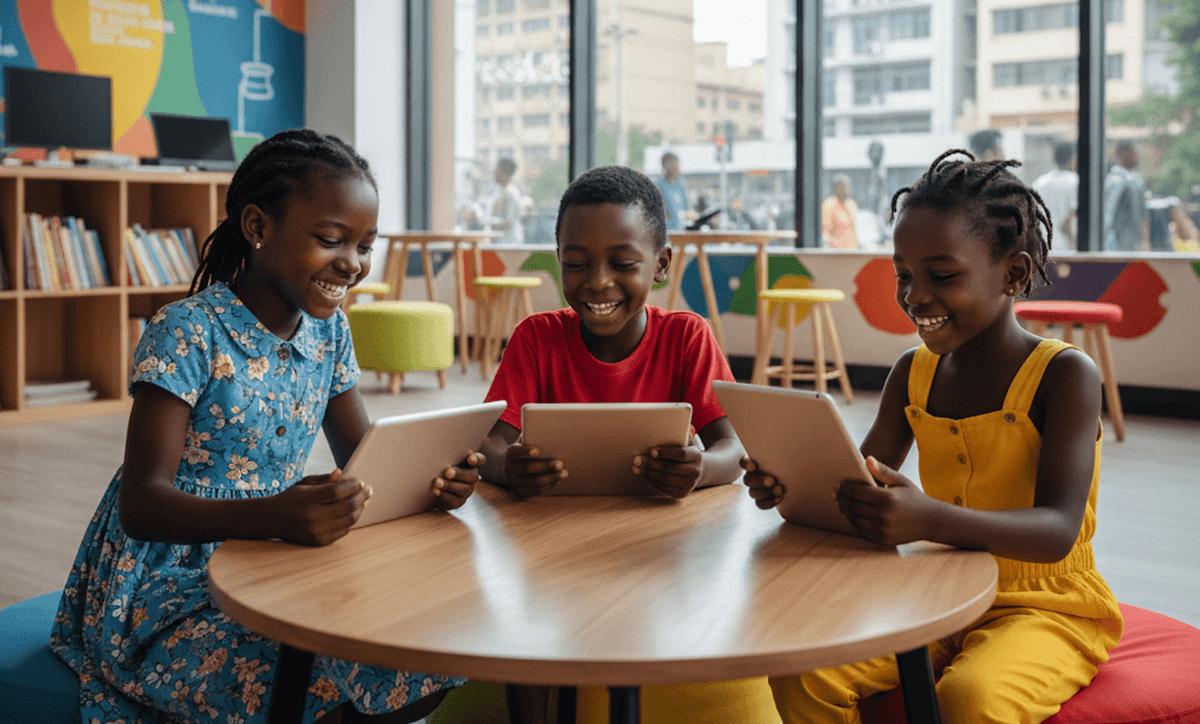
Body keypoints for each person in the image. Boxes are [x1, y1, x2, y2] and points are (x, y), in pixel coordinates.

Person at [50, 129, 485, 724]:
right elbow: (142, 505)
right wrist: (275, 516)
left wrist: (434, 481)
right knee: (298, 681)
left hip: (275, 556)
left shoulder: (329, 331)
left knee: (427, 657)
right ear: (258, 226)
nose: (353, 263)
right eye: (331, 240)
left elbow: (364, 459)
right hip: (164, 584)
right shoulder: (187, 331)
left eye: (365, 245)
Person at [745, 149, 1123, 724]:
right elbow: (857, 484)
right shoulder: (912, 372)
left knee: (970, 700)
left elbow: (1056, 532)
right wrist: (793, 484)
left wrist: (928, 519)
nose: (914, 295)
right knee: (807, 672)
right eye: (904, 275)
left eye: (941, 276)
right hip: (938, 590)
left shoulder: (1065, 374)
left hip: (1048, 606)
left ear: (1014, 274)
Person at [478, 165, 778, 724]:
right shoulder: (536, 338)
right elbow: (488, 447)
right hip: (549, 552)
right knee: (524, 636)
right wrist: (506, 469)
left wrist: (699, 469)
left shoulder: (687, 336)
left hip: (657, 553)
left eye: (622, 263)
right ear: (558, 261)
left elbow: (734, 447)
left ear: (661, 265)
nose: (597, 282)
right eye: (576, 263)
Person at [1103, 140, 1150, 251]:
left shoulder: (1136, 180)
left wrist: (1144, 241)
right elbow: (1108, 214)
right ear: (1123, 153)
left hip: (1133, 245)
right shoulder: (1116, 181)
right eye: (1135, 153)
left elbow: (1143, 215)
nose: (1139, 157)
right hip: (1117, 245)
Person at [1032, 141, 1079, 247]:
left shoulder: (1039, 182)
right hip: (1065, 247)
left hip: (1041, 245)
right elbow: (1067, 223)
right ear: (1073, 159)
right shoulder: (1075, 181)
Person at [483, 157, 525, 244]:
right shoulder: (501, 192)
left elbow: (508, 221)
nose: (494, 173)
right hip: (504, 240)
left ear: (504, 173)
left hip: (509, 242)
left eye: (497, 170)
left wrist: (489, 223)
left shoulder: (511, 193)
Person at [821, 174, 859, 248]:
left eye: (847, 187)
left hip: (852, 251)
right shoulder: (829, 205)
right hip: (837, 251)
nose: (845, 190)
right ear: (835, 189)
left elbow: (854, 231)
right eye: (842, 187)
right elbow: (825, 233)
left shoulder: (852, 205)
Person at [655, 151, 689, 231]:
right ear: (665, 166)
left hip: (682, 232)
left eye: (677, 165)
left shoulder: (680, 186)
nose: (677, 169)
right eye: (673, 165)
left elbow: (686, 209)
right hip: (666, 232)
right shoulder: (659, 187)